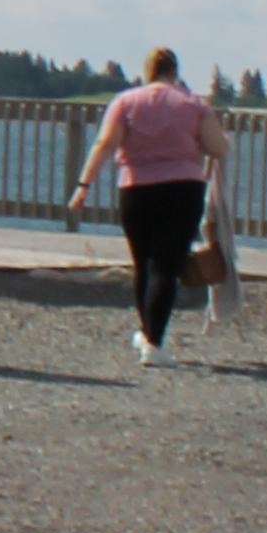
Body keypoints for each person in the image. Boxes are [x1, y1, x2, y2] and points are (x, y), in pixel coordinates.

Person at [67, 47, 230, 366]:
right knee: (166, 266)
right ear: (175, 72)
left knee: (143, 263)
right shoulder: (193, 104)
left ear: (147, 72)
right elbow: (218, 147)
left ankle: (146, 332)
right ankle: (155, 344)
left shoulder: (126, 102)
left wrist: (83, 186)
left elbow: (105, 144)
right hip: (183, 189)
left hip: (136, 189)